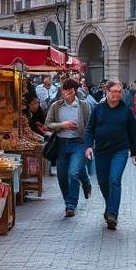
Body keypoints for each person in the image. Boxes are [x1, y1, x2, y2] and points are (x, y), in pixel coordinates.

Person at [85, 79, 136, 230]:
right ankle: (110, 206)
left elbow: (133, 131)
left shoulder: (126, 110)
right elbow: (90, 129)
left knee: (114, 180)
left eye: (119, 91)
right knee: (103, 182)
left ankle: (112, 214)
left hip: (120, 150)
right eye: (113, 91)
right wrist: (88, 146)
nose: (116, 94)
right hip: (101, 151)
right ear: (107, 92)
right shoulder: (98, 109)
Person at [44, 78, 92, 218]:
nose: (67, 96)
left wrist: (89, 144)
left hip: (78, 143)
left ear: (75, 91)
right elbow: (48, 124)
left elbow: (90, 126)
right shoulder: (56, 106)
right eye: (64, 93)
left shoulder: (84, 106)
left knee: (73, 173)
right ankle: (79, 188)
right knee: (62, 176)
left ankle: (71, 205)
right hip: (61, 143)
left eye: (70, 93)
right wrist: (62, 125)